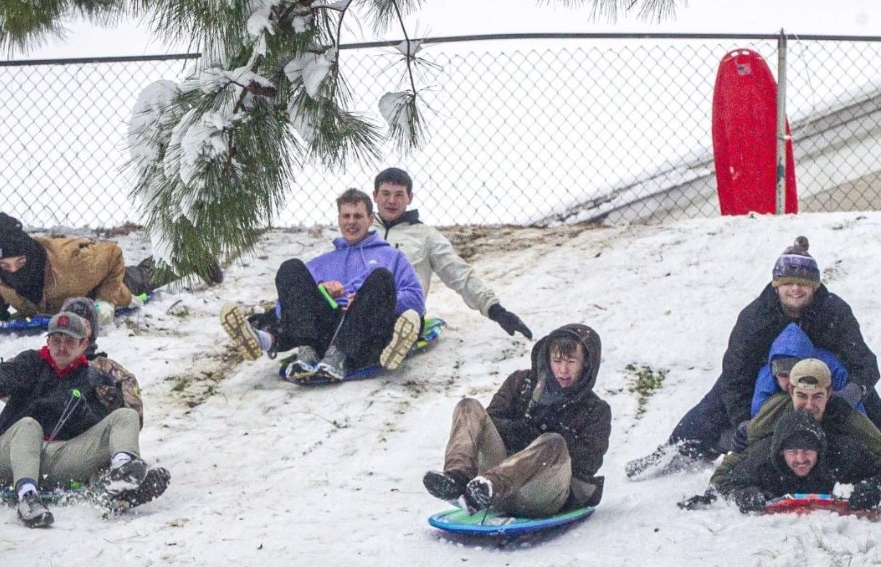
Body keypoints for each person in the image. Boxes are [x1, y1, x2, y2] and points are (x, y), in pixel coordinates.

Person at [626, 236, 881, 479]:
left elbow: (865, 365)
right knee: (712, 406)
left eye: (803, 284)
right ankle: (676, 450)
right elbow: (735, 375)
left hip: (825, 376)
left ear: (814, 286)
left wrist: (849, 394)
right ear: (776, 284)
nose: (796, 290)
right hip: (766, 374)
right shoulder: (755, 317)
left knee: (874, 411)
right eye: (789, 284)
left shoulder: (834, 311)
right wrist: (743, 417)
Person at [0, 311, 168, 527]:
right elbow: (7, 376)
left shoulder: (93, 378)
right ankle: (27, 497)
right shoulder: (31, 362)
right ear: (47, 341)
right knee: (29, 425)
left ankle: (121, 476)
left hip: (59, 458)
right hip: (14, 455)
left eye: (69, 341)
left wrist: (86, 419)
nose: (61, 347)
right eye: (56, 340)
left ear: (83, 344)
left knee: (126, 416)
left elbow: (102, 424)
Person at [220, 189, 425, 380]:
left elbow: (416, 300)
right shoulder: (323, 262)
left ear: (370, 219)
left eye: (358, 216)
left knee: (380, 278)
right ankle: (302, 351)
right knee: (291, 268)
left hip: (364, 333)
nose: (351, 222)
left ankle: (350, 354)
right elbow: (286, 306)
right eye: (346, 216)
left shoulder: (392, 257)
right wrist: (320, 290)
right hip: (323, 332)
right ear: (339, 219)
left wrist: (366, 299)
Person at [422, 324, 610, 517]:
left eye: (571, 362)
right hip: (497, 482)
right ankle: (457, 478)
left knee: (554, 442)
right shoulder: (521, 383)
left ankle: (489, 486)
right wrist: (515, 430)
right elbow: (492, 418)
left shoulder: (596, 410)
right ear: (548, 359)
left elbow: (588, 463)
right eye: (557, 361)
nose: (563, 370)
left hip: (541, 492)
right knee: (468, 406)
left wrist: (543, 442)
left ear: (585, 364)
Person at [371, 167, 532, 340]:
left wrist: (496, 311)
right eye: (386, 194)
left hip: (403, 314)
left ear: (410, 198)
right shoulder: (360, 229)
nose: (392, 200)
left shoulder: (425, 236)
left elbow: (458, 273)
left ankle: (394, 338)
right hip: (361, 310)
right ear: (375, 196)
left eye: (399, 194)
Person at [0, 212, 222, 322]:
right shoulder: (0, 270)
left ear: (33, 259)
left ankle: (191, 255)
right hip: (57, 305)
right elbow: (2, 286)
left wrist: (107, 300)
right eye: (7, 265)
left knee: (141, 278)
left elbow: (113, 254)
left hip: (96, 286)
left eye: (20, 263)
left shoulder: (73, 264)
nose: (13, 271)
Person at [709, 358, 881, 491]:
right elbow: (745, 453)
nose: (808, 405)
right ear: (790, 390)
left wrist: (871, 487)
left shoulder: (845, 416)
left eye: (817, 396)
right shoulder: (774, 412)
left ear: (829, 392)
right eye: (801, 396)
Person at [713, 409, 881, 514]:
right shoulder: (763, 459)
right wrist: (744, 495)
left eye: (807, 451)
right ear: (780, 453)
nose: (800, 459)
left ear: (819, 451)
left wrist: (874, 489)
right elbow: (723, 484)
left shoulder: (843, 453)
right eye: (792, 452)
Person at [750, 322, 861, 420]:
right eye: (784, 375)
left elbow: (857, 413)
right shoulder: (766, 378)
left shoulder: (830, 368)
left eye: (797, 373)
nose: (791, 381)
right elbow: (759, 418)